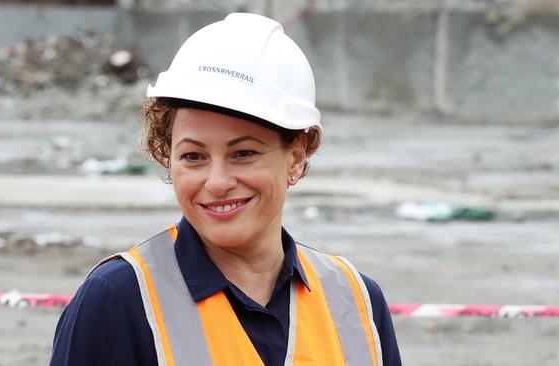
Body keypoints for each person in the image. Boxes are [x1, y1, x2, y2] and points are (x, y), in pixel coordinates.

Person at [50, 13, 401, 366]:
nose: (216, 182)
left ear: (295, 156)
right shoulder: (119, 300)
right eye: (193, 156)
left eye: (243, 154)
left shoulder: (355, 302)